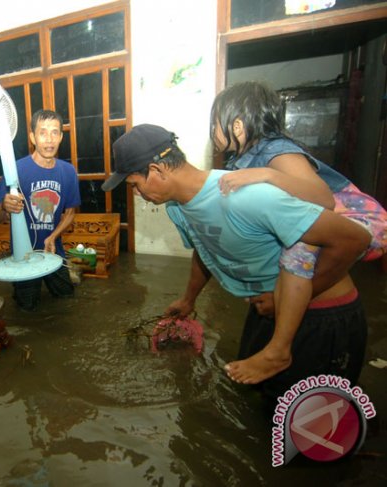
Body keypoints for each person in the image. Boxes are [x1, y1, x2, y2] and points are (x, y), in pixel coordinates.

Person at [101, 123, 370, 402]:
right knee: (258, 404)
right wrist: (188, 299)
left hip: (321, 315)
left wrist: (284, 300)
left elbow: (353, 240)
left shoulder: (245, 197)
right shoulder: (177, 208)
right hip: (266, 306)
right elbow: (204, 247)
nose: (136, 194)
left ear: (156, 171)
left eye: (134, 184)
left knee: (306, 423)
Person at [210, 81, 387, 384]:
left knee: (298, 245)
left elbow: (323, 198)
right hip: (333, 218)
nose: (212, 131)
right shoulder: (241, 160)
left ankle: (280, 350)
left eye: (214, 123)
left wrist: (268, 174)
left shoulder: (276, 151)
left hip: (361, 219)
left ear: (237, 126)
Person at [0, 109, 81, 311]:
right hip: (23, 256)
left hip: (53, 251)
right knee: (26, 309)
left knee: (67, 301)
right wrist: (5, 206)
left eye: (54, 132)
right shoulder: (15, 170)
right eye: (42, 132)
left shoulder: (68, 172)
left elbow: (70, 213)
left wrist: (53, 237)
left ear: (61, 136)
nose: (49, 139)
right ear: (32, 137)